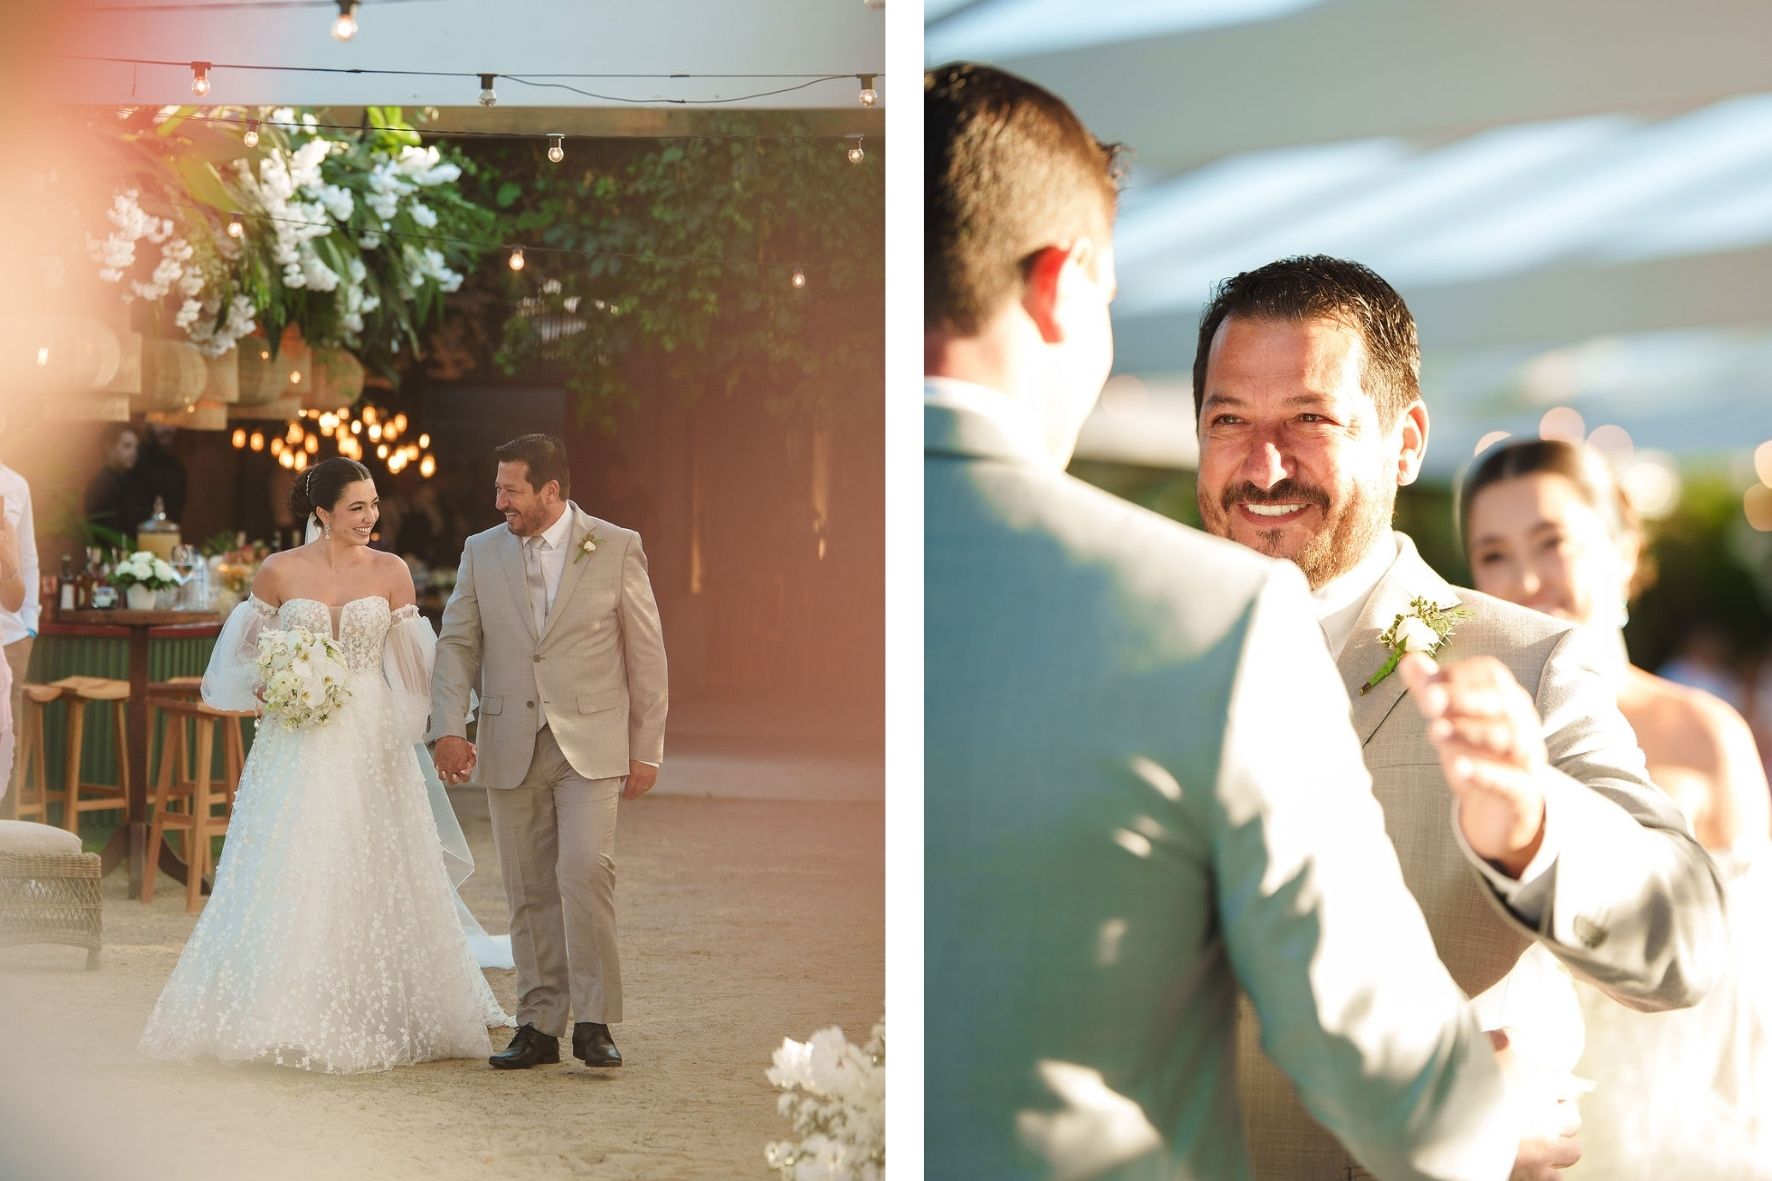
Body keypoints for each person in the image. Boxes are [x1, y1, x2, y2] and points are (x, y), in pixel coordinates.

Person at [924, 62, 1530, 1181]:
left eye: (1308, 418)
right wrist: (1489, 1109)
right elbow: (1405, 1092)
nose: (1263, 463)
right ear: (1062, 283)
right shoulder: (1212, 615)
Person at [1190, 254, 1729, 1177]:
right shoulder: (1127, 649)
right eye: (1229, 420)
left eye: (1311, 418)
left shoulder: (1529, 659)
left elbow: (1687, 945)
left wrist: (1533, 827)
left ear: (1405, 443)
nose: (1264, 463)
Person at [1462, 437, 1772, 1178]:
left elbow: (1746, 990)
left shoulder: (1703, 735)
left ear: (1624, 550)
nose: (1525, 579)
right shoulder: (1473, 745)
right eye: (1494, 554)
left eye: (1552, 542)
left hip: (1677, 1138)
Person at [139, 457, 509, 1073]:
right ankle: (280, 1007)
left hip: (370, 731)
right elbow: (244, 655)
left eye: (374, 505)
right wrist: (274, 681)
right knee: (295, 855)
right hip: (297, 734)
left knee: (373, 855)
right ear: (322, 512)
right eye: (357, 507)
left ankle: (387, 1000)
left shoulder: (392, 572)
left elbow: (415, 669)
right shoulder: (278, 571)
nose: (370, 517)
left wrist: (434, 732)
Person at [427, 433, 668, 1072]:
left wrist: (647, 746)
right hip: (509, 739)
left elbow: (646, 652)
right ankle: (537, 1024)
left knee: (585, 871)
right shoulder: (480, 551)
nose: (498, 501)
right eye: (498, 488)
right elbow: (457, 644)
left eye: (511, 490)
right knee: (527, 886)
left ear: (551, 490)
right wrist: (448, 726)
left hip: (592, 743)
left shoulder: (617, 545)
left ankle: (595, 1022)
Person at [0, 418, 37, 813]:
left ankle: (7, 839)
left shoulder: (15, 486)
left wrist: (30, 626)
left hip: (9, 638)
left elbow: (27, 559)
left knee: (5, 749)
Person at [83, 424, 153, 539]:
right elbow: (111, 533)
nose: (134, 452)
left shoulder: (127, 481)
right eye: (127, 446)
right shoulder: (102, 485)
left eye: (136, 447)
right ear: (109, 448)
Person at [135, 422, 188, 522]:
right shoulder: (132, 464)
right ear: (144, 424)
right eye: (161, 421)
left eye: (173, 421)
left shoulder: (176, 469)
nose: (168, 429)